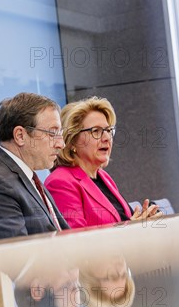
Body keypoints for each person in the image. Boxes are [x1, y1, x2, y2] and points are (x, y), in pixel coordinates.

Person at [0, 92, 70, 239]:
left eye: (60, 133)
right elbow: (16, 257)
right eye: (52, 133)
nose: (61, 144)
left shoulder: (27, 178)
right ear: (20, 136)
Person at [44, 96, 161, 228]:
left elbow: (122, 222)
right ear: (71, 141)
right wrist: (131, 229)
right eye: (96, 131)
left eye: (109, 130)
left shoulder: (104, 177)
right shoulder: (60, 183)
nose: (106, 138)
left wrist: (144, 222)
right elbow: (76, 241)